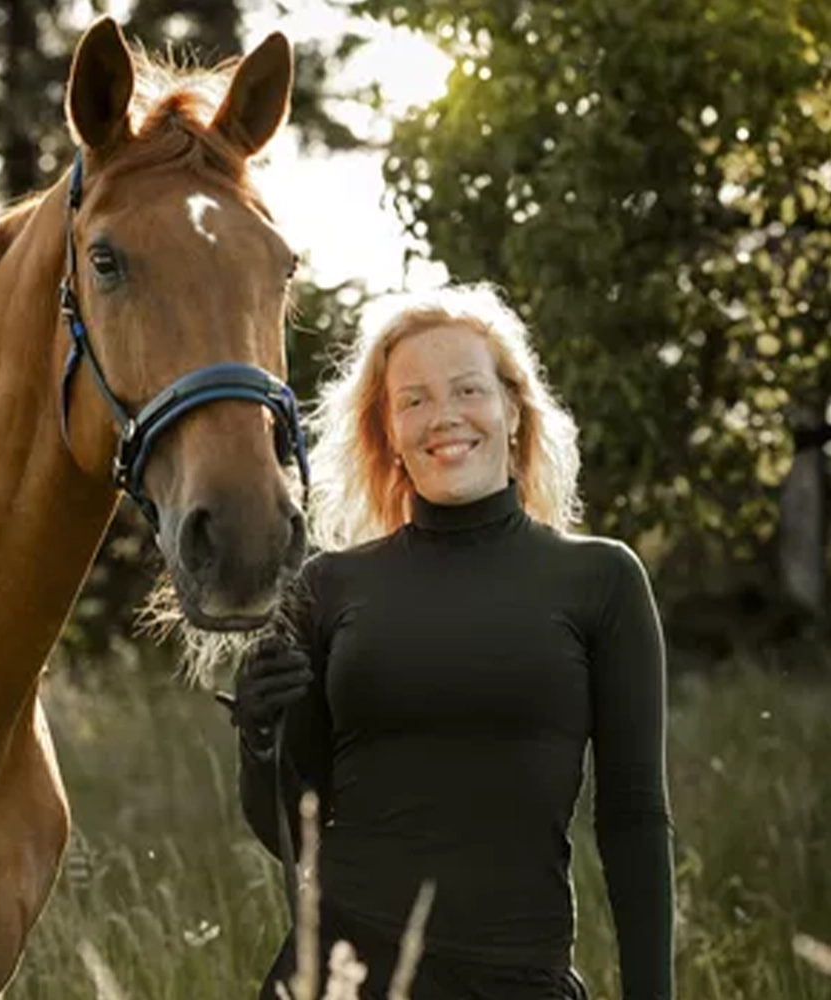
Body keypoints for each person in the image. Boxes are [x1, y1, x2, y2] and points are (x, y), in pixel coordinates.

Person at [230, 283, 674, 1000]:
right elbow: (293, 833)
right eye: (413, 400)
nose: (443, 417)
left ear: (512, 409)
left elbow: (634, 817)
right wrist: (256, 740)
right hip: (340, 977)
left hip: (516, 978)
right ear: (389, 433)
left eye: (467, 389)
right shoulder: (327, 587)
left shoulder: (601, 580)